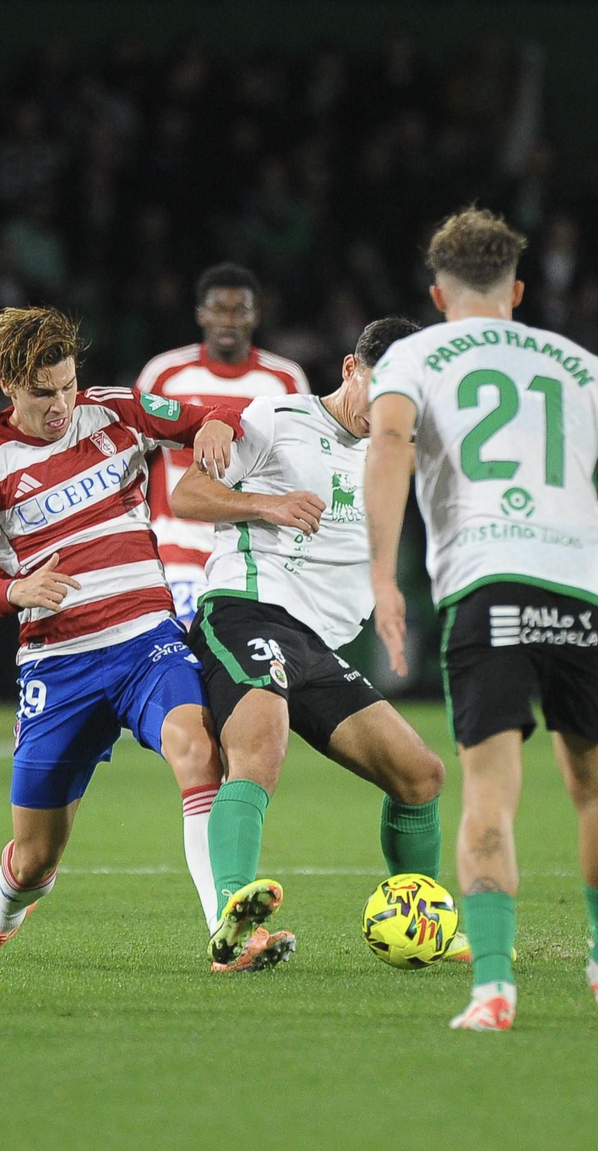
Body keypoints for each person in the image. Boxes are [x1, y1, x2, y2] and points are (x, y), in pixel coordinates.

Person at [364, 207, 598, 1032]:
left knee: (490, 788)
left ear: (438, 293)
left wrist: (382, 574)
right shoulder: (580, 361)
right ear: (517, 290)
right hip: (589, 589)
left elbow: (387, 447)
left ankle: (493, 989)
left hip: (488, 583)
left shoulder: (415, 354)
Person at [0, 306, 276, 971]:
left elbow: (210, 412)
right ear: (8, 383)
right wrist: (15, 592)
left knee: (197, 749)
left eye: (66, 385)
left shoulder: (112, 409)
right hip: (58, 665)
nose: (61, 404)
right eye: (42, 392)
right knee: (35, 859)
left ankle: (228, 932)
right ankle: (1, 916)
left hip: (146, 640)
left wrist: (210, 426)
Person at [173, 316, 459, 969]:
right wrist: (263, 506)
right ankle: (233, 926)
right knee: (261, 745)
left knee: (420, 776)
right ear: (352, 370)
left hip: (319, 644)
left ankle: (425, 919)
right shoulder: (278, 417)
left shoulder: (396, 449)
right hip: (248, 609)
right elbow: (189, 493)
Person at [136, 263, 309, 625]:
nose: (228, 320)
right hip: (177, 544)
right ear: (201, 314)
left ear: (256, 316)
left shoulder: (284, 381)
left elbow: (302, 463)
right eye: (218, 309)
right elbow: (128, 454)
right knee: (184, 652)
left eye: (239, 310)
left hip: (250, 552)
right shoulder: (165, 374)